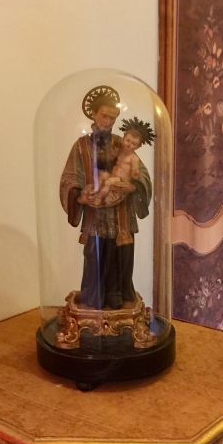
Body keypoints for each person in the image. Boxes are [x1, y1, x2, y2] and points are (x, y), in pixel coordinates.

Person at [59, 87, 153, 310]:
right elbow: (69, 178)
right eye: (104, 115)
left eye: (113, 117)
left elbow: (142, 174)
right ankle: (95, 293)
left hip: (121, 215)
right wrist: (80, 195)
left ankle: (117, 293)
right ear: (93, 114)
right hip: (96, 214)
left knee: (121, 254)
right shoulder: (81, 146)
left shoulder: (124, 143)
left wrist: (133, 186)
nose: (108, 121)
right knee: (95, 253)